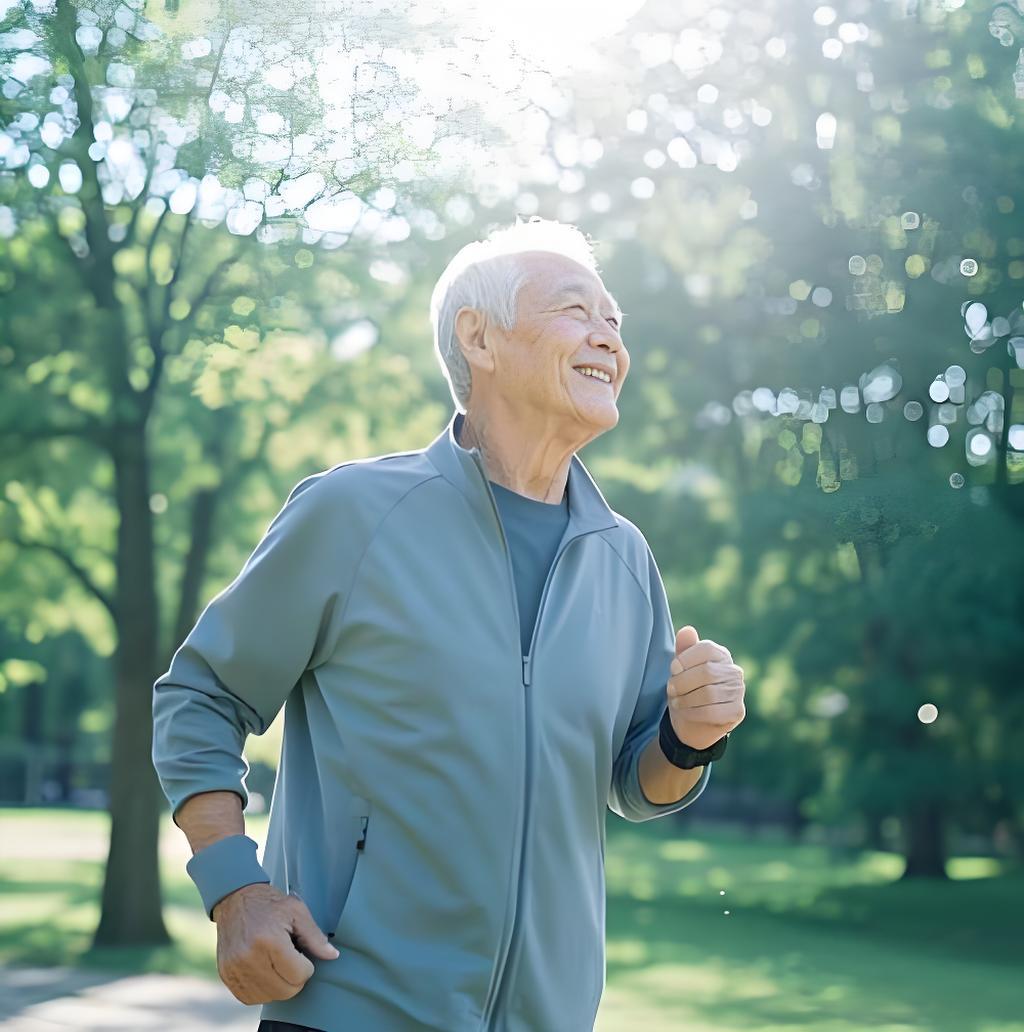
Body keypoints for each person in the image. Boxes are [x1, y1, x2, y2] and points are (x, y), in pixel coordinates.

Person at [151, 216, 746, 1032]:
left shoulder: (624, 558)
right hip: (350, 1011)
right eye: (576, 310)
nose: (607, 334)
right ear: (481, 338)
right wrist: (234, 889)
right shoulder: (353, 513)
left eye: (615, 319)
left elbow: (635, 785)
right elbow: (201, 696)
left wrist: (689, 736)